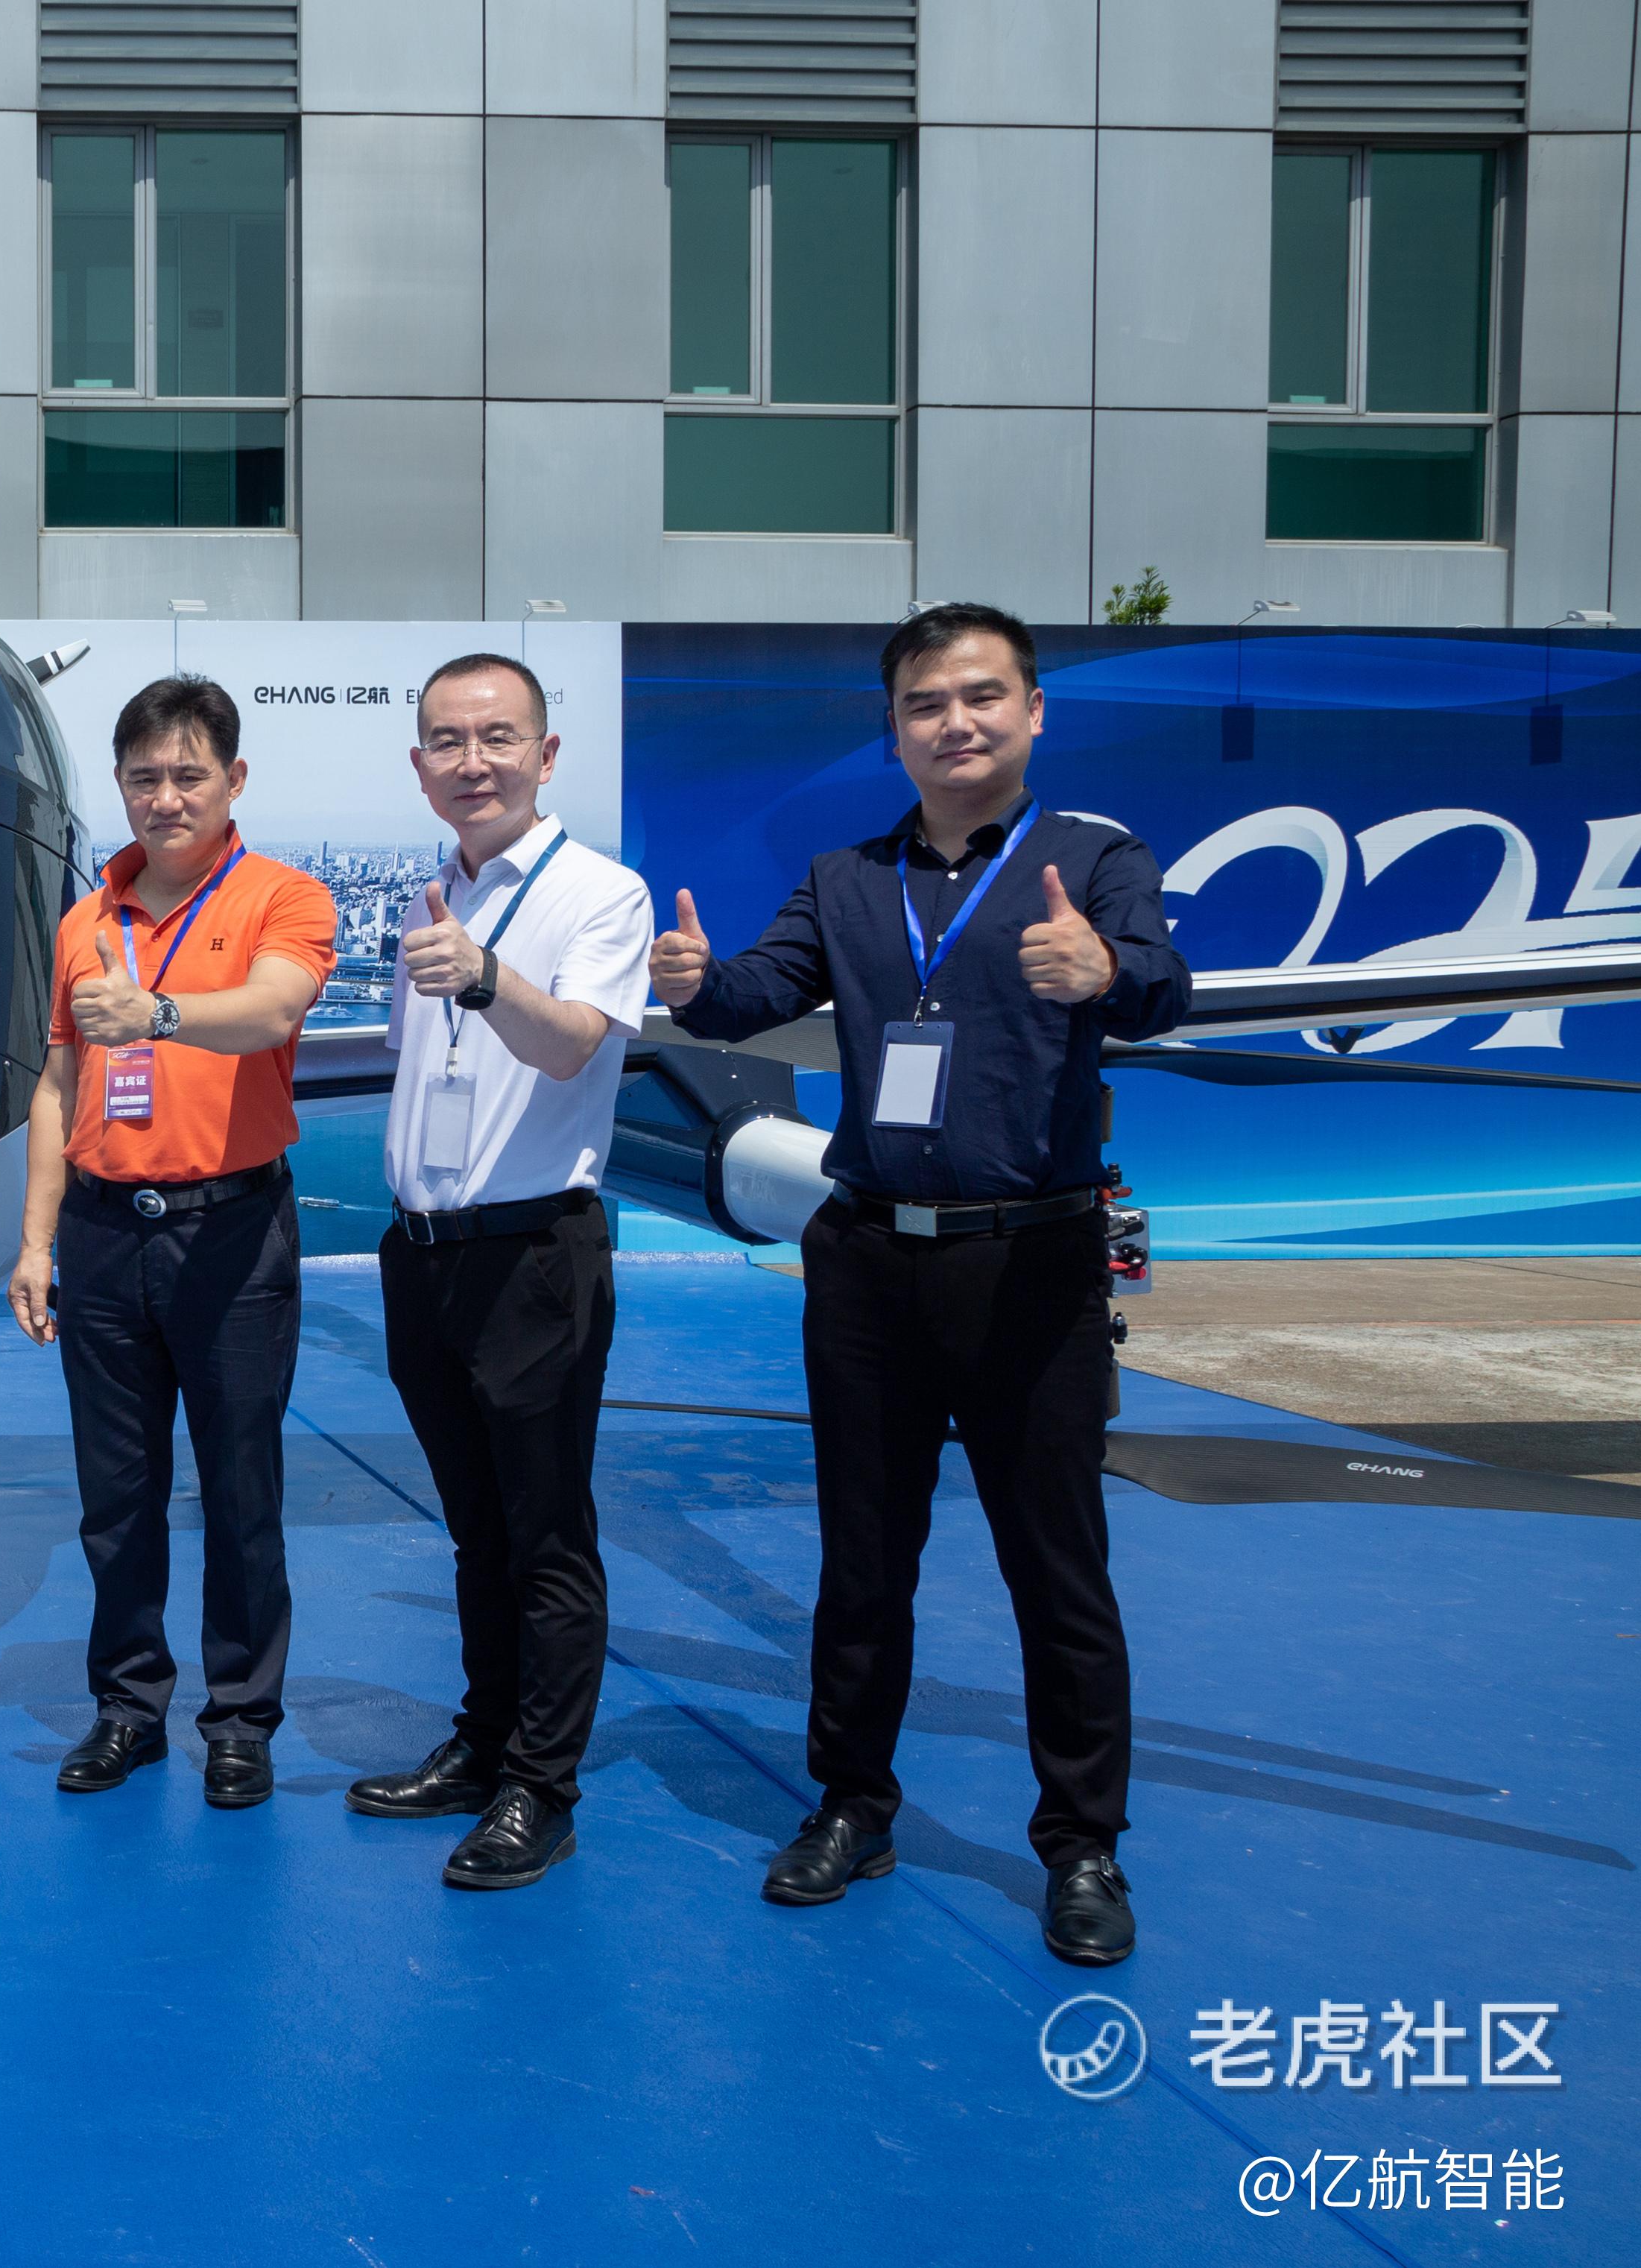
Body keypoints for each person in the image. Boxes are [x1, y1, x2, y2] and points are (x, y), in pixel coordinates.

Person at [654, 601, 1187, 1965]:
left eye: (981, 696)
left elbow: (1161, 987)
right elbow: (757, 994)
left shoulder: (1096, 859)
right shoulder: (847, 879)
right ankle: (852, 1805)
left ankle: (1082, 1848)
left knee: (1057, 1569)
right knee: (863, 1559)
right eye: (925, 705)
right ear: (892, 730)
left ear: (1033, 712)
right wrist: (699, 986)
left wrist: (1104, 967)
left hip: (1032, 1263)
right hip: (869, 1261)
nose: (956, 723)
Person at [347, 653, 651, 1891]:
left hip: (533, 1256)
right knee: (476, 1529)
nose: (472, 762)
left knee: (546, 1534)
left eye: (498, 737)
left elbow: (572, 1045)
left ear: (546, 753)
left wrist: (484, 973)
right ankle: (484, 1745)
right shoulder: (439, 894)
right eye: (448, 741)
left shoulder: (600, 893)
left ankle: (542, 1787)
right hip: (424, 1258)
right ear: (420, 765)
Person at [8, 676, 336, 1810]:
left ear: (233, 781)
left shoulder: (283, 897)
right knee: (116, 1494)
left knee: (241, 1489)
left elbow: (273, 1011)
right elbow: (57, 1084)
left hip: (230, 1234)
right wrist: (36, 1242)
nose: (166, 798)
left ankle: (240, 1719)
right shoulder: (85, 921)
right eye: (144, 777)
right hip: (103, 1235)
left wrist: (154, 1014)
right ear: (119, 786)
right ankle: (128, 1707)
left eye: (189, 775)